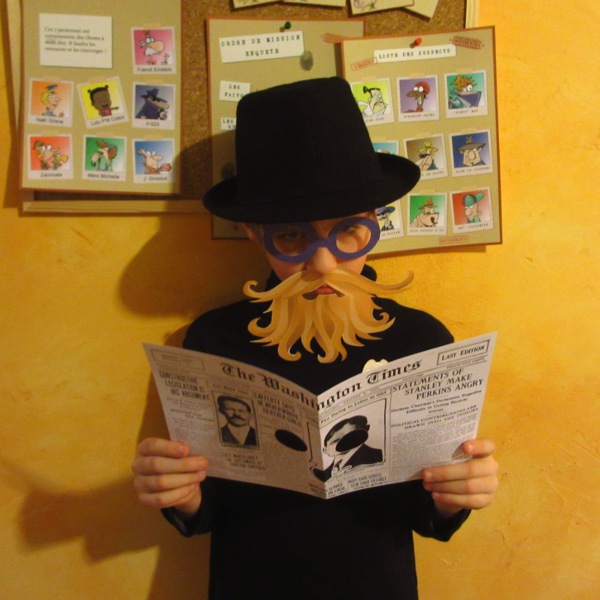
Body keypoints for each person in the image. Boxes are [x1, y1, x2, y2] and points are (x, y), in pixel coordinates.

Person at [132, 77, 499, 600]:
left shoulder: (421, 340)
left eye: (348, 231)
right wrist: (179, 492)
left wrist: (456, 494)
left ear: (374, 221)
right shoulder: (215, 340)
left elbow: (427, 514)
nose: (323, 263)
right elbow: (206, 510)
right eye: (292, 236)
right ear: (253, 233)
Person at [311, 415, 383, 482]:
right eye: (335, 440)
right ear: (326, 450)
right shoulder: (325, 475)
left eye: (350, 436)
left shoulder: (379, 456)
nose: (344, 442)